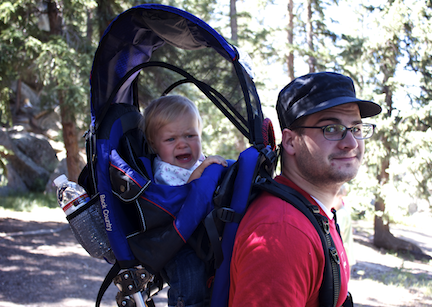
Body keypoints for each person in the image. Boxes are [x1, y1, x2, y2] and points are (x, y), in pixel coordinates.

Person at [229, 71, 382, 306]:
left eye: (356, 128)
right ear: (290, 141)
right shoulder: (282, 233)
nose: (351, 143)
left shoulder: (315, 214)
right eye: (331, 128)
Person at [142, 95, 227, 307]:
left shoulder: (196, 161)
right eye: (171, 139)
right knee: (189, 276)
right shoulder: (164, 169)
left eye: (190, 135)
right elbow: (187, 194)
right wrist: (203, 170)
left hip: (197, 233)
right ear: (154, 145)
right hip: (176, 242)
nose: (182, 144)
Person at [334, 184, 356, 267]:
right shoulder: (343, 211)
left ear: (340, 197)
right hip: (346, 256)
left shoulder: (341, 214)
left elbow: (339, 236)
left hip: (343, 257)